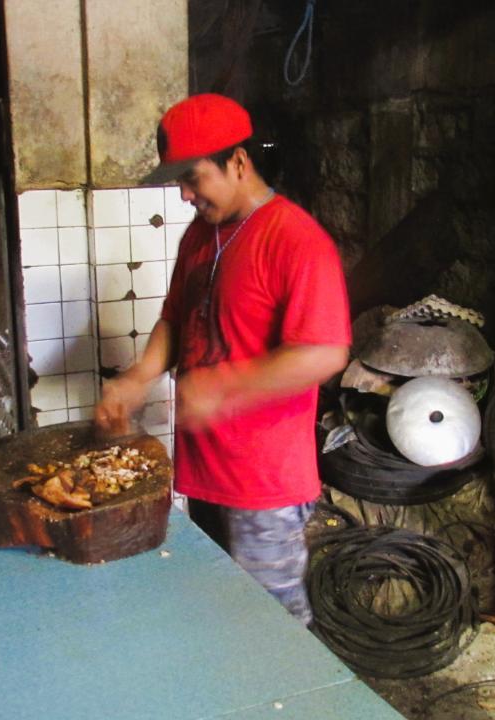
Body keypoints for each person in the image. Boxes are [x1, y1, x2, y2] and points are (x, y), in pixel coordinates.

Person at [94, 93, 351, 625]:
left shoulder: (295, 239)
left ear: (237, 161)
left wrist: (223, 387)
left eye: (193, 178)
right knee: (219, 616)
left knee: (272, 629)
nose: (185, 194)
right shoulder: (199, 235)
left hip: (263, 483)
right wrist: (139, 376)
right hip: (203, 471)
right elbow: (175, 318)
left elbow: (325, 351)